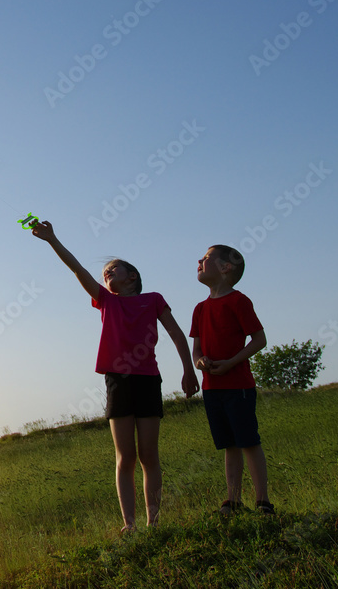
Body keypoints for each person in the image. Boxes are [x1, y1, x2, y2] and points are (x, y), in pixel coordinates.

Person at [31, 220, 199, 533]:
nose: (107, 272)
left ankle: (154, 521)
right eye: (105, 271)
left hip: (148, 379)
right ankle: (130, 524)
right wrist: (53, 239)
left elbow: (176, 333)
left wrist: (189, 370)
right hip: (117, 381)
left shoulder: (153, 299)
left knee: (150, 455)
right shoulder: (106, 301)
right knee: (126, 457)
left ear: (132, 276)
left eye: (114, 268)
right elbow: (77, 269)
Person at [190, 245, 274, 516]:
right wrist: (200, 362)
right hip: (212, 388)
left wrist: (230, 363)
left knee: (248, 441)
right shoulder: (200, 309)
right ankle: (233, 501)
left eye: (206, 258)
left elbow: (259, 339)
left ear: (226, 267)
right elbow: (197, 350)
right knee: (229, 444)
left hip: (238, 386)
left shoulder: (239, 301)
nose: (199, 261)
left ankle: (263, 502)